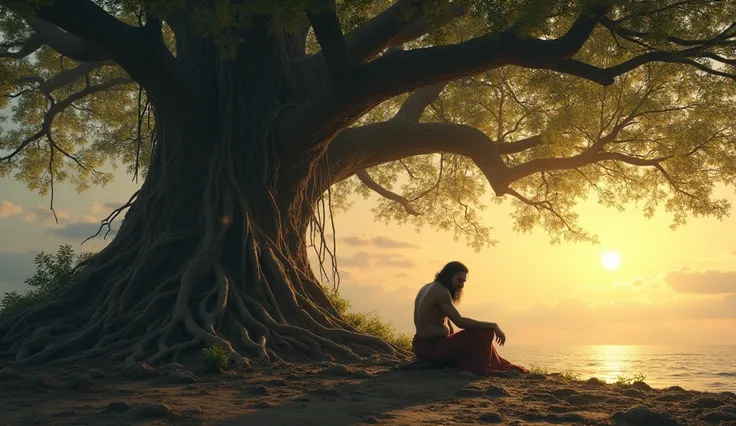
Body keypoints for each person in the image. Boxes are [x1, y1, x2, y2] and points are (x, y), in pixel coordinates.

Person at [411, 261, 528, 375]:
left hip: (420, 347)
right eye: (459, 280)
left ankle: (484, 364)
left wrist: (450, 334)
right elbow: (460, 322)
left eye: (464, 281)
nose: (461, 285)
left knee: (478, 339)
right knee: (484, 333)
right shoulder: (441, 291)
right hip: (432, 350)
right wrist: (493, 325)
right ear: (448, 276)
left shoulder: (427, 287)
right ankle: (474, 369)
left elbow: (442, 318)